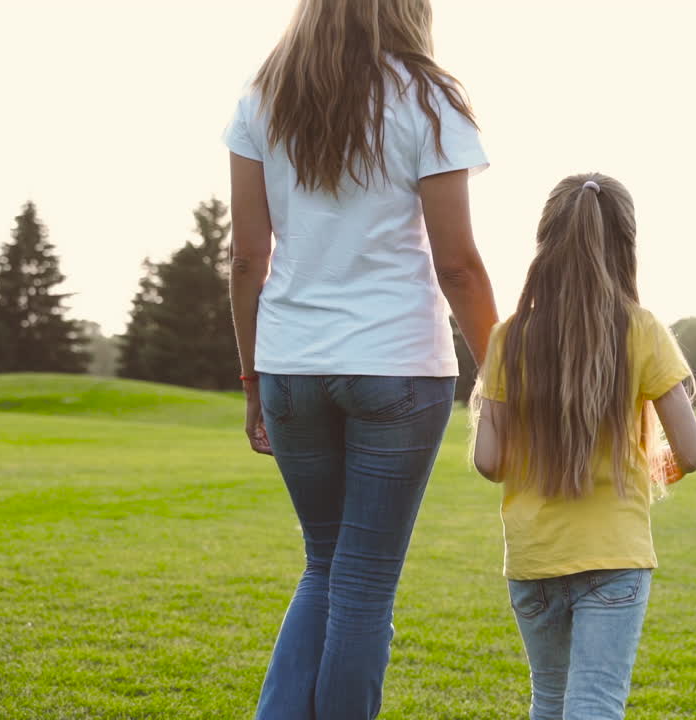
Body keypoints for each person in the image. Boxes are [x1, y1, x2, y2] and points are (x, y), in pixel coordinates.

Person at [224, 0, 497, 718]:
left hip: (290, 366)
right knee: (365, 582)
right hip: (397, 365)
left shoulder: (263, 99)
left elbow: (246, 257)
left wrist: (254, 379)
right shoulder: (430, 98)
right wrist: (500, 372)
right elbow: (460, 266)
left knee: (325, 565)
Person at [472, 173, 696, 720]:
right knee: (595, 706)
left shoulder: (511, 336)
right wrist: (650, 473)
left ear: (545, 241)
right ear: (625, 245)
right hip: (615, 553)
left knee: (549, 701)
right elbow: (691, 452)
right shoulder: (642, 329)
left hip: (534, 556)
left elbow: (489, 461)